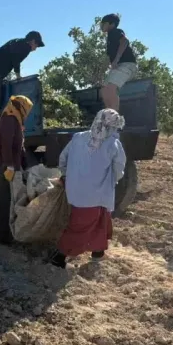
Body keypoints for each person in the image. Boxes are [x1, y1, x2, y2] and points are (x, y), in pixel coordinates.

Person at [49, 109, 126, 267]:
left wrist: (66, 176)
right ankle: (59, 256)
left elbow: (63, 158)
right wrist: (114, 180)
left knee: (100, 219)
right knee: (80, 226)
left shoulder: (78, 137)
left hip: (76, 190)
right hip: (96, 193)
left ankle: (97, 252)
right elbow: (119, 168)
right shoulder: (112, 143)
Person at [0, 95, 33, 245]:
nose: (27, 113)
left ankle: (6, 234)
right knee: (0, 202)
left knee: (8, 202)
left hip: (9, 168)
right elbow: (6, 144)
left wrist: (27, 166)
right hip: (2, 168)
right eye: (26, 109)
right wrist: (9, 165)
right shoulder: (9, 119)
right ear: (20, 107)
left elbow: (20, 146)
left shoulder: (16, 120)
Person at [100, 14, 138, 112]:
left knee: (112, 87)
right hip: (119, 66)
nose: (101, 26)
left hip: (127, 64)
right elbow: (109, 57)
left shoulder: (115, 32)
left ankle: (114, 118)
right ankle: (110, 113)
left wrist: (116, 60)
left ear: (112, 24)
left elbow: (124, 41)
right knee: (104, 90)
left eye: (104, 23)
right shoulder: (109, 38)